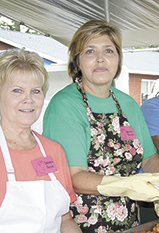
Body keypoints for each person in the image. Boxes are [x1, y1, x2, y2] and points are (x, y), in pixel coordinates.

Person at [42, 20, 159, 232]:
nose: (100, 59)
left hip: (130, 224)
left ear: (118, 60)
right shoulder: (66, 105)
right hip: (80, 224)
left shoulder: (128, 104)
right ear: (77, 62)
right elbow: (74, 177)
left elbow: (150, 158)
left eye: (109, 50)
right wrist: (127, 185)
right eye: (89, 51)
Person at [0, 48, 82, 232]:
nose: (28, 99)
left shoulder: (53, 151)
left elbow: (65, 219)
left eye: (35, 91)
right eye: (17, 90)